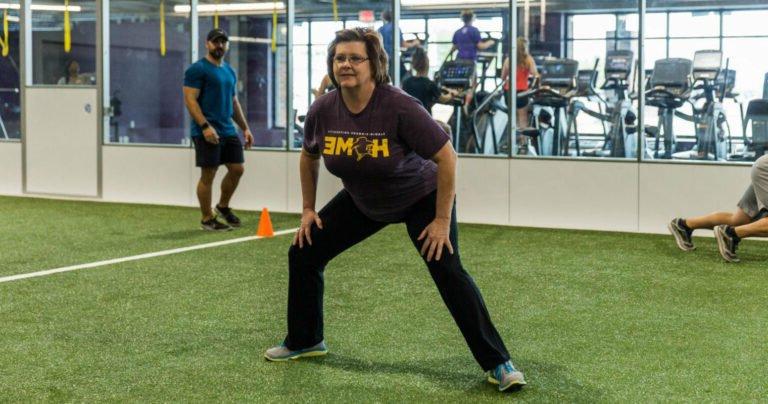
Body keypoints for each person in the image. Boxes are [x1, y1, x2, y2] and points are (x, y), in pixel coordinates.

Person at [263, 27, 526, 392]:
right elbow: (309, 156)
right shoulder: (323, 109)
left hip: (420, 196)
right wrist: (308, 209)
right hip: (364, 199)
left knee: (447, 269)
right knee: (305, 251)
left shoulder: (398, 106)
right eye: (340, 58)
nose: (346, 64)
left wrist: (440, 219)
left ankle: (499, 363)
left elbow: (447, 157)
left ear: (375, 64)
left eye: (356, 58)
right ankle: (305, 340)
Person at [183, 28, 254, 231]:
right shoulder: (197, 69)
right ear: (207, 44)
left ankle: (222, 207)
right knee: (209, 174)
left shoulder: (229, 71)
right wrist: (205, 126)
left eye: (223, 42)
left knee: (237, 169)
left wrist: (245, 128)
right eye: (215, 42)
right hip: (206, 130)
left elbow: (233, 102)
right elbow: (190, 100)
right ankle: (207, 218)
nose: (219, 45)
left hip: (227, 130)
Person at [668, 155, 768, 262]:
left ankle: (684, 225)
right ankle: (730, 234)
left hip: (763, 167)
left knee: (738, 220)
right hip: (765, 169)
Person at [450, 9, 495, 108]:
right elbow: (480, 46)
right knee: (472, 84)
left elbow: (454, 47)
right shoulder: (474, 30)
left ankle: (458, 102)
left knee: (460, 83)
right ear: (472, 18)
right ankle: (466, 104)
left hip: (459, 61)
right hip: (470, 61)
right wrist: (491, 42)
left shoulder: (457, 32)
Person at [501, 37, 539, 153]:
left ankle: (512, 143)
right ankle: (523, 144)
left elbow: (503, 77)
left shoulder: (509, 59)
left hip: (509, 91)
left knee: (512, 119)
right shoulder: (528, 59)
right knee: (522, 119)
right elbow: (535, 74)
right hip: (522, 91)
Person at [401, 46, 458, 115]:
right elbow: (443, 99)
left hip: (410, 119)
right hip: (425, 121)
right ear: (427, 64)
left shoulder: (406, 82)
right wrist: (452, 94)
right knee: (446, 126)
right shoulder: (429, 84)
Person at [377, 10, 419, 80]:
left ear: (384, 18)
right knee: (405, 76)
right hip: (393, 59)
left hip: (383, 60)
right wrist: (415, 43)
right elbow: (403, 44)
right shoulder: (395, 28)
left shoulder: (380, 30)